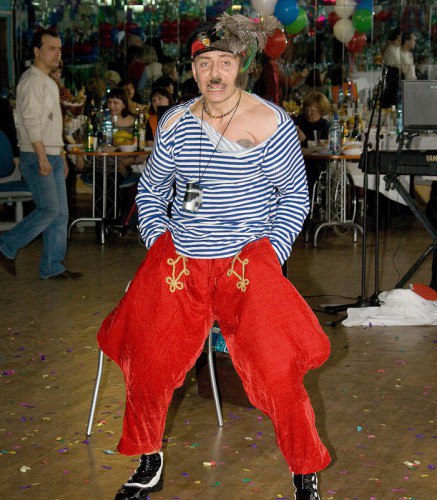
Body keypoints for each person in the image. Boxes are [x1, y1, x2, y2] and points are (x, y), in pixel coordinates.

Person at [96, 14, 330, 500]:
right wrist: (158, 240)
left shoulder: (270, 122)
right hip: (181, 259)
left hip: (245, 260)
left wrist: (270, 252)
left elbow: (294, 196)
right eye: (205, 64)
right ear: (193, 69)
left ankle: (304, 467)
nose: (215, 73)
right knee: (148, 358)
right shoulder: (176, 122)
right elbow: (152, 190)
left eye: (225, 62)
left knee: (276, 367)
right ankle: (148, 459)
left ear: (240, 65)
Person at [0, 29, 81, 280]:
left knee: (60, 214)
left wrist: (62, 156)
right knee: (49, 210)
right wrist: (43, 157)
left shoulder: (48, 81)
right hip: (37, 155)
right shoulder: (31, 81)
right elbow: (31, 122)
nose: (57, 53)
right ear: (37, 51)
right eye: (51, 48)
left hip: (52, 154)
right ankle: (5, 245)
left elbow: (52, 126)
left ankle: (51, 266)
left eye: (59, 48)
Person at [294, 91, 331, 198]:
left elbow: (324, 145)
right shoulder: (299, 121)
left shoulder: (325, 126)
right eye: (307, 110)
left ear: (320, 110)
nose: (309, 113)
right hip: (298, 160)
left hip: (316, 162)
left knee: (311, 172)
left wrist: (305, 139)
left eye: (312, 111)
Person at [381, 28, 402, 108]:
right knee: (391, 92)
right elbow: (391, 63)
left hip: (398, 72)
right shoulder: (390, 49)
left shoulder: (398, 49)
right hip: (392, 72)